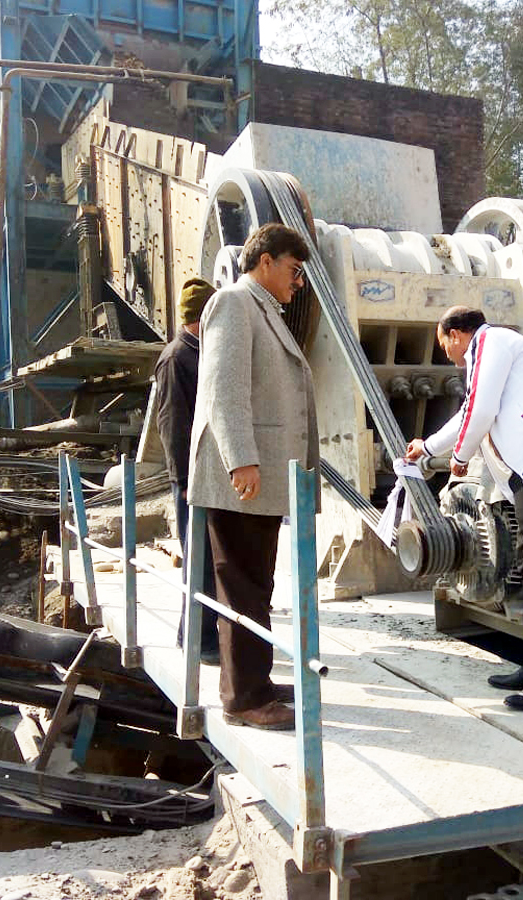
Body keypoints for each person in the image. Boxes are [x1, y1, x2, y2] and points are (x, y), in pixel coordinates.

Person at [406, 306, 523, 711]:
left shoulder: (490, 342)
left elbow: (481, 412)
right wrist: (429, 446)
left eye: (443, 345)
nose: (447, 355)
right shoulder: (492, 351)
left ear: (454, 334)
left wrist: (460, 456)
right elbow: (471, 412)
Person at [189, 223, 319, 731]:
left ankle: (255, 682)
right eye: (293, 269)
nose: (298, 281)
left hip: (259, 479)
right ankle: (243, 699)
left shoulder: (264, 311)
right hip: (241, 477)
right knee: (242, 586)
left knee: (256, 585)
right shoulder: (234, 304)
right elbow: (225, 390)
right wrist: (242, 458)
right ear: (264, 261)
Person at [154, 277, 220, 664]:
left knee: (209, 559)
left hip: (206, 475)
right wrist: (182, 479)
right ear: (202, 315)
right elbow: (172, 423)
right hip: (192, 479)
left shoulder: (200, 352)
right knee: (199, 559)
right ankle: (198, 640)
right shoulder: (178, 357)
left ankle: (199, 636)